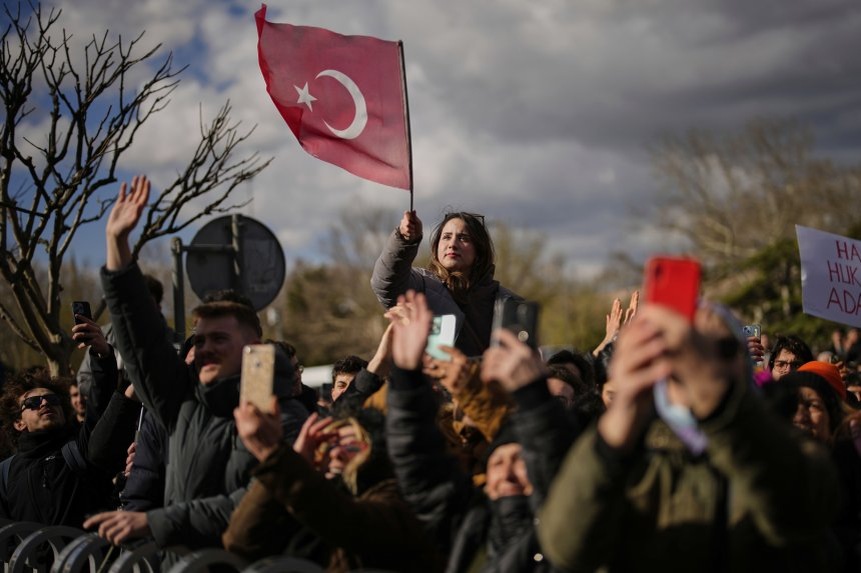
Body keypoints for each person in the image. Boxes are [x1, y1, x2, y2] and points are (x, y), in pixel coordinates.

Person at [83, 176, 308, 560]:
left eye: (219, 339)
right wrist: (117, 249)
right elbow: (144, 345)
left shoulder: (282, 412)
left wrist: (157, 522)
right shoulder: (184, 403)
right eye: (199, 340)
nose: (204, 349)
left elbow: (257, 500)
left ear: (253, 347)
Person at [537, 303, 840, 572]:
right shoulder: (631, 447)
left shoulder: (784, 439)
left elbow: (803, 511)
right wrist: (622, 416)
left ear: (745, 362)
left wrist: (722, 407)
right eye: (684, 349)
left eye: (720, 349)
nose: (697, 362)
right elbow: (566, 547)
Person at [385, 290, 576, 571]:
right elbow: (419, 465)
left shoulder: (570, 528)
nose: (507, 473)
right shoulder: (470, 523)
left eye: (520, 461)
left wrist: (533, 394)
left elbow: (558, 457)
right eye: (497, 463)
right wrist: (406, 375)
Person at [222, 404, 441, 572]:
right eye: (330, 445)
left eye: (351, 445)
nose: (336, 453)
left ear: (378, 451)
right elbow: (240, 541)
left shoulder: (397, 495)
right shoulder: (305, 495)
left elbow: (349, 522)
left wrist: (278, 460)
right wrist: (294, 463)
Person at [371, 210, 520, 357]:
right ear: (436, 247)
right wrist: (404, 240)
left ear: (479, 250)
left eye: (463, 238)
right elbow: (386, 282)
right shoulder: (421, 285)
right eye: (446, 237)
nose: (452, 244)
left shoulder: (508, 303)